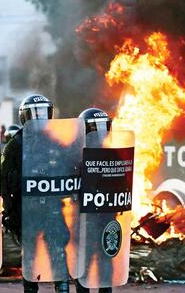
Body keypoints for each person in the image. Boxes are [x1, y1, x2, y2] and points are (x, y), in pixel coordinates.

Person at [2, 94, 70, 293]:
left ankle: (62, 289)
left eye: (43, 112)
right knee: (30, 255)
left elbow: (67, 169)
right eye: (35, 113)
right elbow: (5, 181)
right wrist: (11, 212)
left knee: (58, 252)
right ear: (25, 116)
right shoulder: (16, 143)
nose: (40, 117)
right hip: (27, 210)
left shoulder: (55, 140)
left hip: (52, 208)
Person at [75, 108, 113, 293]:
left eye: (103, 127)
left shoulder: (113, 155)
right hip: (85, 220)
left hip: (104, 218)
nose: (100, 133)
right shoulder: (76, 154)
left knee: (103, 263)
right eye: (96, 128)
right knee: (86, 263)